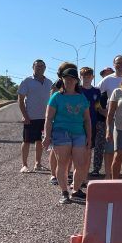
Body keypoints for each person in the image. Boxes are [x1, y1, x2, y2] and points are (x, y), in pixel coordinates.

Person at [42, 67, 91, 204]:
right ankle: (64, 192)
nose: (69, 81)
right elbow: (49, 118)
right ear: (62, 80)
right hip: (60, 133)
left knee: (80, 164)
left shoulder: (82, 97)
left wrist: (89, 137)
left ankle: (75, 190)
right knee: (63, 163)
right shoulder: (56, 97)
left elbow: (87, 119)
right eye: (66, 78)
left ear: (77, 81)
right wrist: (47, 136)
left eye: (72, 79)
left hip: (79, 133)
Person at [17, 59, 53, 173]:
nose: (40, 68)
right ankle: (24, 165)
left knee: (39, 141)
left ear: (45, 68)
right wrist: (25, 116)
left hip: (45, 118)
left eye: (42, 66)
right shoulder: (26, 81)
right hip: (31, 117)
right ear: (33, 67)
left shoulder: (49, 82)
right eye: (37, 66)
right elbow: (20, 100)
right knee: (26, 141)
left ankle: (38, 163)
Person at [97, 55, 122, 179]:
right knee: (109, 149)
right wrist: (100, 109)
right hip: (112, 119)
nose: (120, 65)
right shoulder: (107, 80)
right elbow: (95, 94)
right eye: (117, 63)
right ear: (114, 65)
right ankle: (108, 175)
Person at [90, 67, 114, 177]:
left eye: (110, 73)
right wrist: (100, 110)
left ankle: (112, 169)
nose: (108, 75)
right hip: (101, 120)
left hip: (114, 121)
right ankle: (96, 168)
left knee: (112, 147)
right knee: (99, 146)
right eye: (105, 73)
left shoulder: (115, 87)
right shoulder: (98, 90)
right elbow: (95, 101)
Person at [79, 67, 102, 183]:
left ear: (92, 77)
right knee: (77, 152)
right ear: (80, 77)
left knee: (88, 151)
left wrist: (110, 114)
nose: (86, 78)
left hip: (92, 125)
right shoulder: (77, 90)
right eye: (84, 76)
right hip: (77, 125)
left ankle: (84, 177)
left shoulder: (96, 92)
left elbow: (98, 107)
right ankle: (76, 176)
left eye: (89, 76)